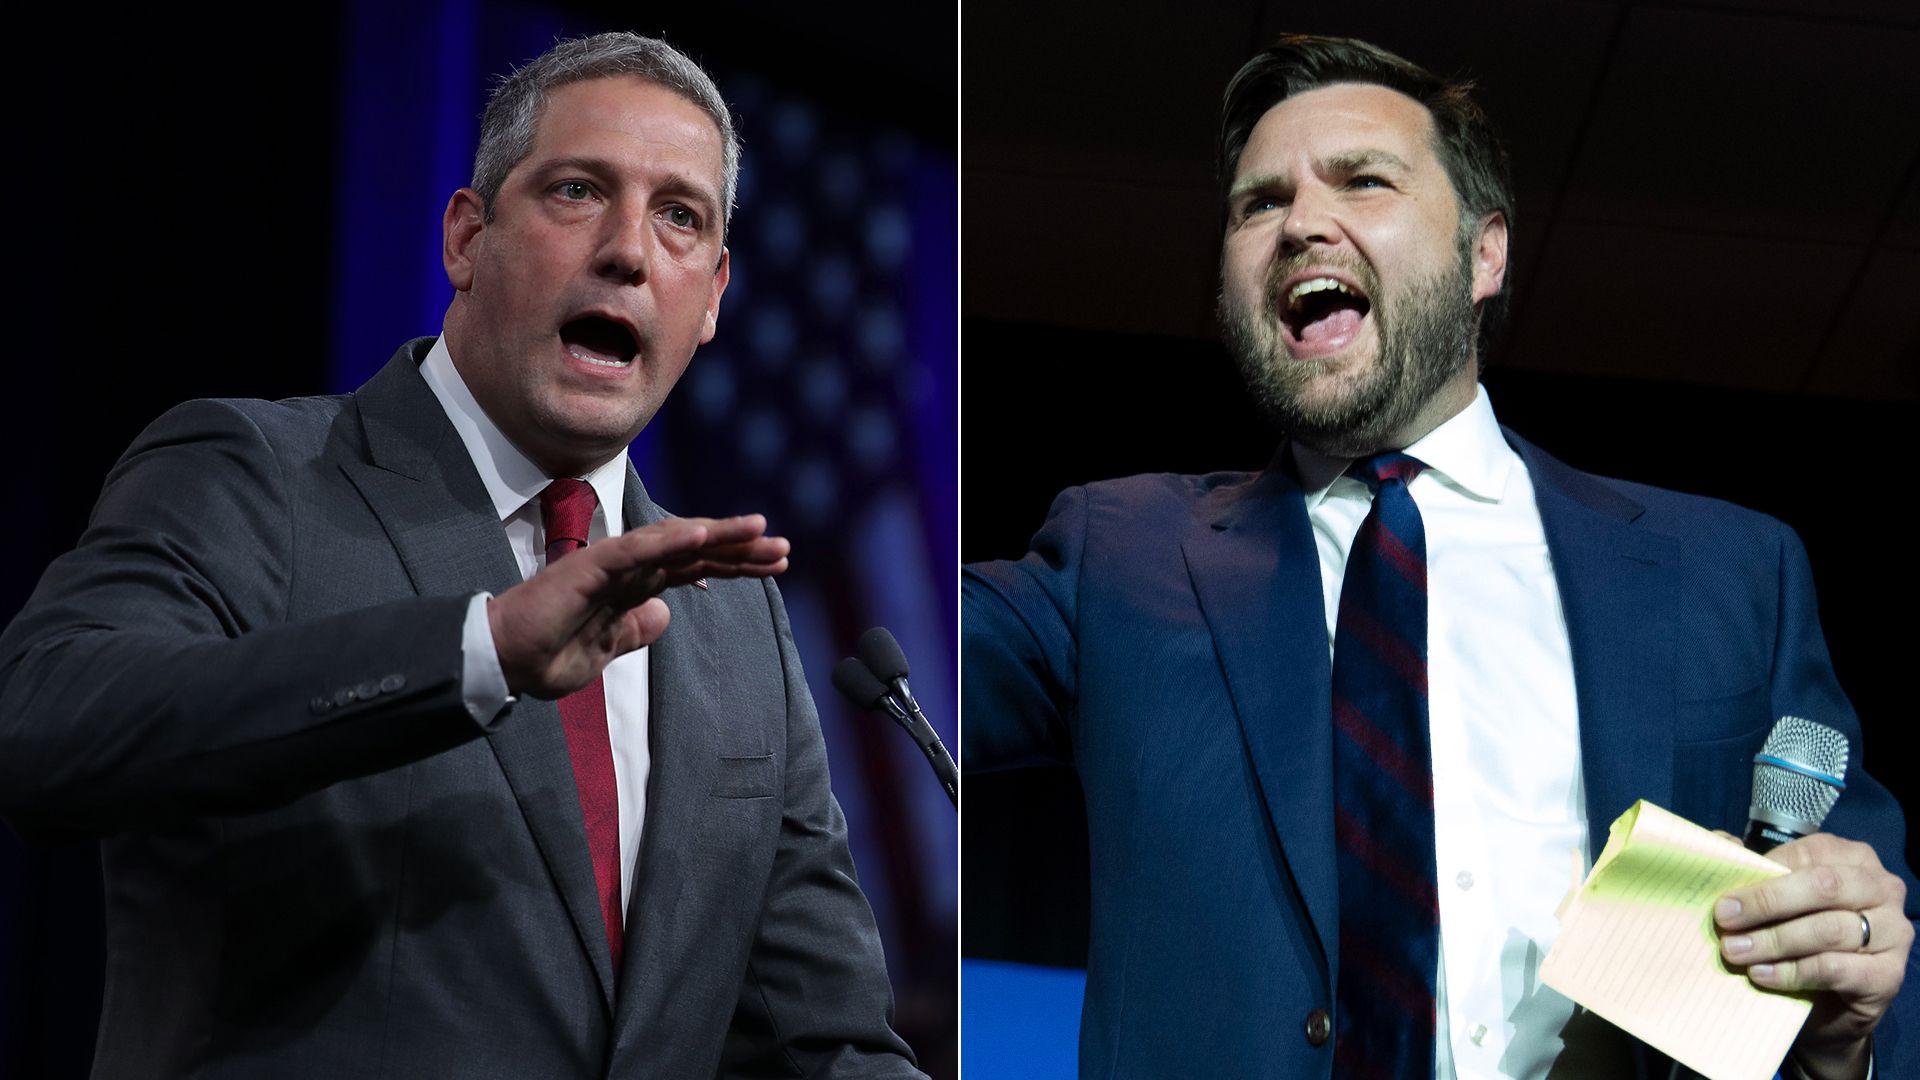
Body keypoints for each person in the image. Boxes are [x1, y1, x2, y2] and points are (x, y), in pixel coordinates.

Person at [962, 34, 1916, 1080]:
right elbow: (881, 638)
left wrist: (1844, 1041)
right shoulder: (1124, 558)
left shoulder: (1730, 573)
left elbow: (1876, 997)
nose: (1302, 226)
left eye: (1362, 181)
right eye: (1258, 204)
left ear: (1485, 253)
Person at [0, 32, 922, 1079]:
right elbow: (42, 723)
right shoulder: (257, 474)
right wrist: (475, 652)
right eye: (579, 192)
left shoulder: (734, 622)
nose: (630, 249)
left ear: (711, 298)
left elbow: (825, 1039)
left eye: (681, 218)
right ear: (466, 239)